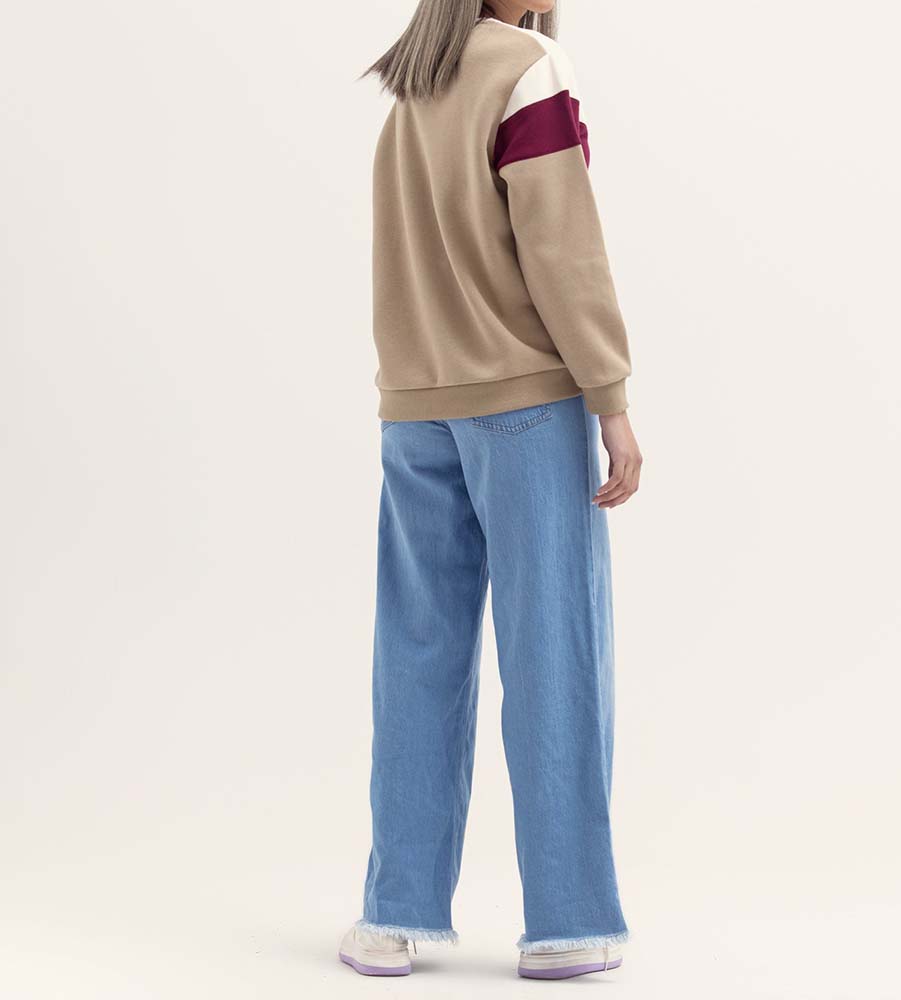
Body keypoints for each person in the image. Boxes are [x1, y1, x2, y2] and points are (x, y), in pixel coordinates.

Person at [339, 0, 642, 981]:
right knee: (553, 653)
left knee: (415, 655)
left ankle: (393, 918)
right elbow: (562, 247)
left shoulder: (412, 85)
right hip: (523, 406)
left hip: (414, 408)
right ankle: (569, 922)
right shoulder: (527, 65)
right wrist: (610, 397)